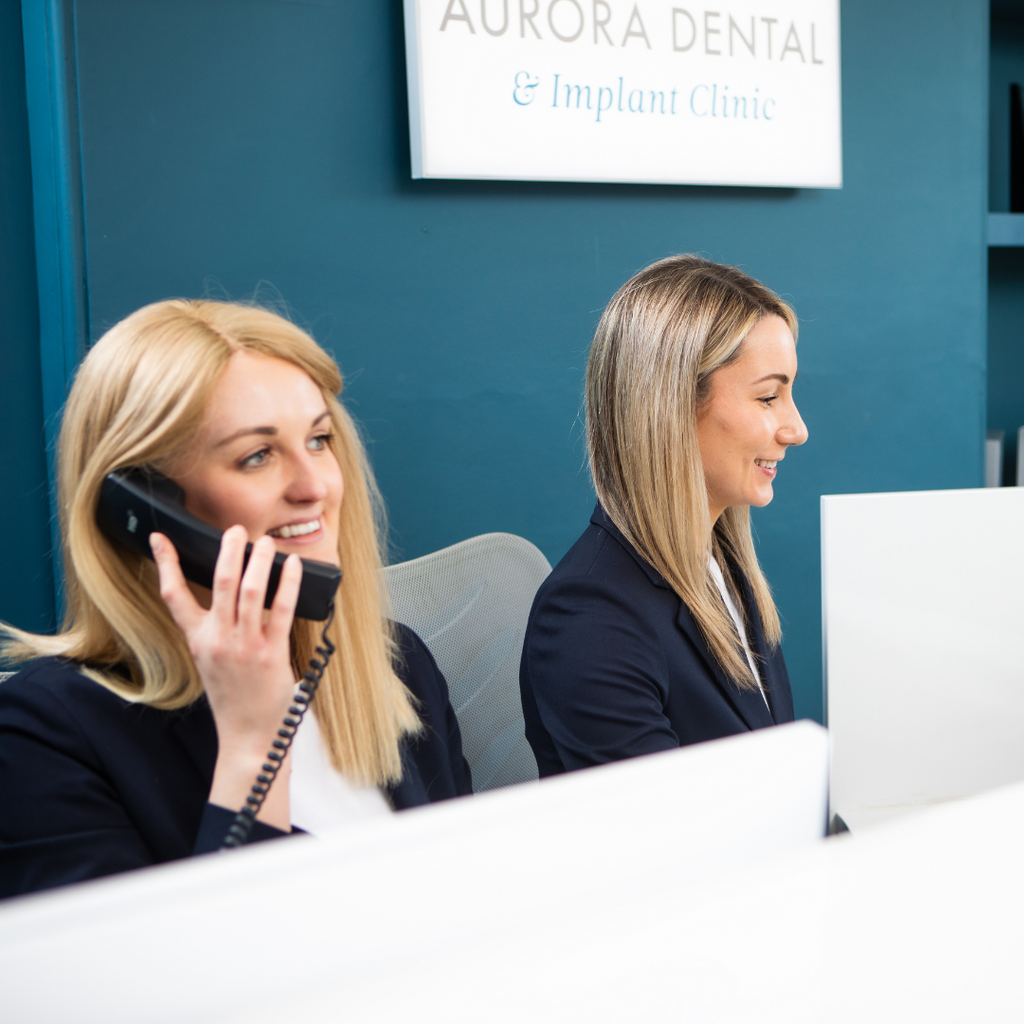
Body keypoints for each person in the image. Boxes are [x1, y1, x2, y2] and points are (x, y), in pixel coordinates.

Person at [0, 300, 471, 898]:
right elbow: (187, 957)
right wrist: (253, 745)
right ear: (140, 507)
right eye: (257, 456)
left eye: (319, 440)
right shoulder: (43, 735)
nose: (315, 486)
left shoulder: (393, 663)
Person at [520, 255, 809, 776]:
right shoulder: (589, 619)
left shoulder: (722, 565)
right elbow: (664, 823)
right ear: (671, 406)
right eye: (768, 397)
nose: (796, 429)